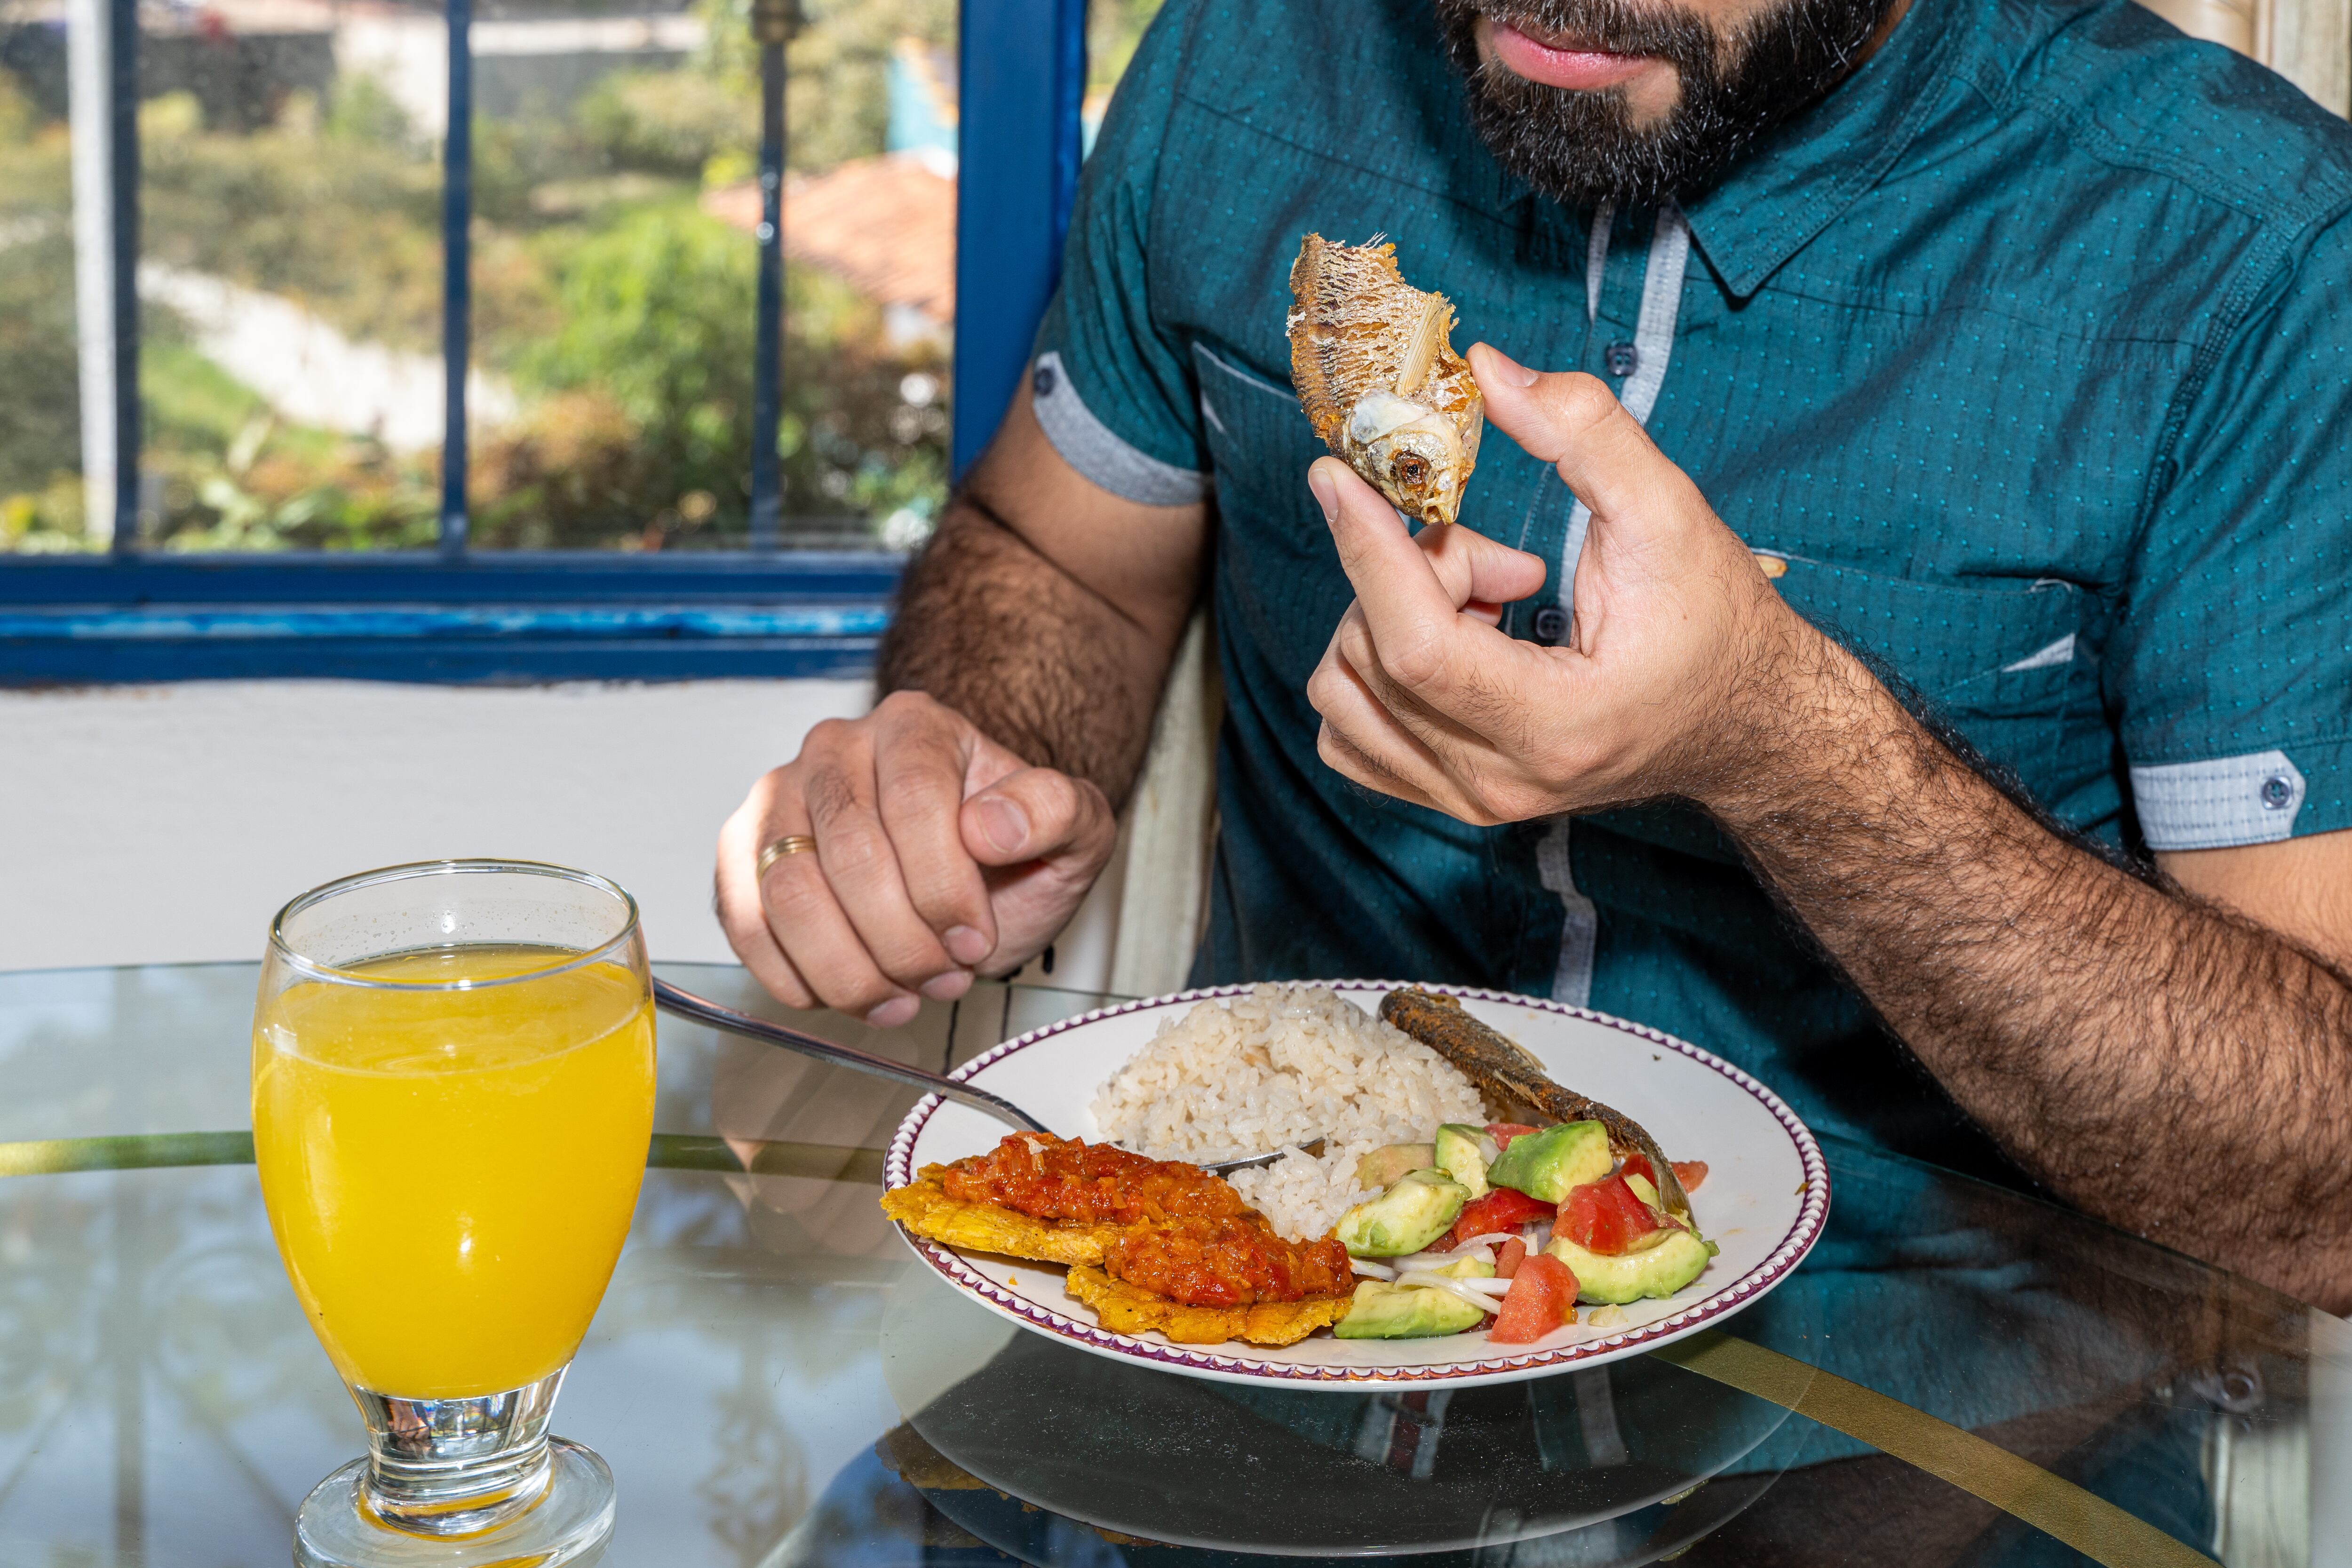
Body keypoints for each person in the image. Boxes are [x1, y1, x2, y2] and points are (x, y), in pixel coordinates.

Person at [716, 0, 2352, 1312]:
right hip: (1247, 1307)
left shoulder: (2253, 255)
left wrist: (1785, 741)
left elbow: (2330, 1192)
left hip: (1932, 1425)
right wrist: (966, 764)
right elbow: (1056, 557)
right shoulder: (1239, 59)